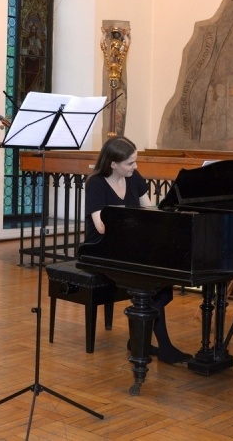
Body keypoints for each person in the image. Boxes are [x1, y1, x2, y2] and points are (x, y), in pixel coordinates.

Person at [84, 136, 192, 364]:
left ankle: (139, 339)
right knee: (152, 287)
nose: (135, 167)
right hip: (101, 251)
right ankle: (163, 348)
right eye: (130, 163)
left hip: (129, 246)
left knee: (161, 286)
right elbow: (101, 227)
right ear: (113, 164)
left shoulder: (133, 178)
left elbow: (150, 210)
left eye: (135, 161)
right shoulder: (96, 183)